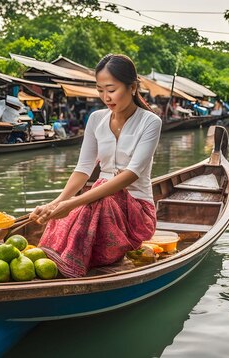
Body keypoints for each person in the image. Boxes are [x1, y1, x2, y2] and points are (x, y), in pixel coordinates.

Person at [30, 54, 162, 278]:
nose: (105, 97)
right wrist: (56, 203)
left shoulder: (150, 122)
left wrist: (74, 203)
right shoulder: (96, 119)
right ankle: (56, 260)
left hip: (137, 210)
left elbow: (131, 175)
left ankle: (72, 267)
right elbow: (83, 169)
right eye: (100, 90)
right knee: (85, 202)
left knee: (96, 200)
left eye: (111, 89)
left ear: (132, 87)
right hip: (101, 199)